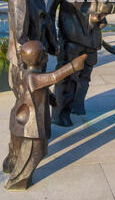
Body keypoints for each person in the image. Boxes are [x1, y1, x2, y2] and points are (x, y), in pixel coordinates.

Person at [47, 0, 115, 126]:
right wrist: (51, 39)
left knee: (85, 76)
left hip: (92, 37)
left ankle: (78, 105)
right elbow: (49, 9)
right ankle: (60, 114)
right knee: (67, 77)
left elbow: (108, 5)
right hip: (71, 38)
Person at [3, 0, 58, 174]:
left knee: (38, 107)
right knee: (23, 110)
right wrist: (29, 69)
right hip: (25, 64)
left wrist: (53, 45)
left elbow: (46, 23)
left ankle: (36, 146)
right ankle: (15, 153)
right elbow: (20, 38)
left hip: (37, 59)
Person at [5, 40, 86, 190]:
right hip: (31, 124)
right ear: (41, 59)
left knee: (35, 151)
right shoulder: (33, 77)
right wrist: (74, 65)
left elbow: (38, 90)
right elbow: (54, 77)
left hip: (22, 119)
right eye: (44, 54)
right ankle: (17, 180)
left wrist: (51, 98)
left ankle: (16, 173)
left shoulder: (24, 73)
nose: (47, 56)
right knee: (36, 152)